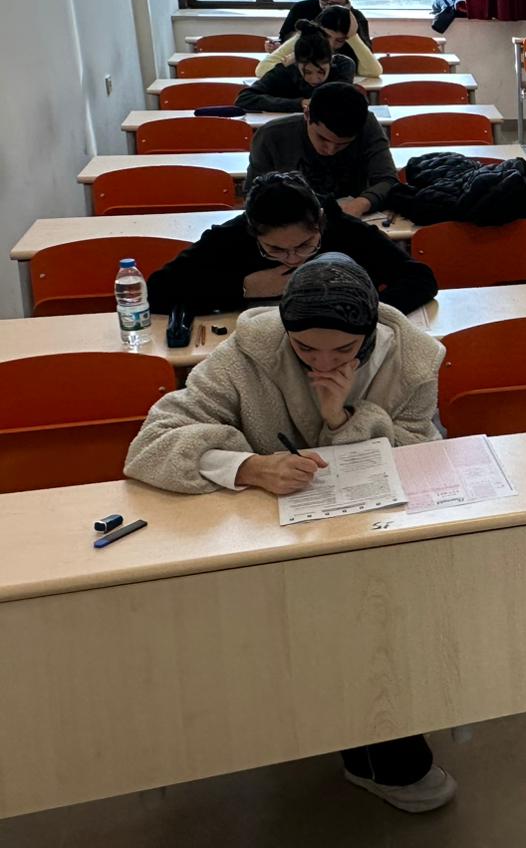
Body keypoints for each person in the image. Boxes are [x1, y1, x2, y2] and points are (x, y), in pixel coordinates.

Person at [126, 253, 454, 813]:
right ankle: (357, 739)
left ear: (369, 332)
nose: (323, 365)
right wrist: (248, 467)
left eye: (343, 351)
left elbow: (424, 454)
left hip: (377, 535)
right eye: (305, 349)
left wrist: (343, 419)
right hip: (271, 540)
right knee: (318, 619)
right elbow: (152, 444)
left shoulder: (413, 360)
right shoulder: (248, 353)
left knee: (380, 614)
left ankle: (379, 731)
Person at [148, 171, 436, 315]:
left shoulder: (343, 230)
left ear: (319, 222)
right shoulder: (229, 238)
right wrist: (243, 288)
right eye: (275, 249)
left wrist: (362, 310)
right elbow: (157, 293)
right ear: (253, 232)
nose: (293, 259)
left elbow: (420, 278)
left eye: (305, 245)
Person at [248, 82, 398, 215]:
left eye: (342, 144)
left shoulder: (367, 125)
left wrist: (361, 203)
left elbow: (387, 180)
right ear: (307, 114)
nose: (330, 150)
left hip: (351, 222)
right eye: (323, 139)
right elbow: (253, 195)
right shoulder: (271, 136)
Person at [237, 23, 357, 113]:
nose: (314, 78)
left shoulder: (343, 65)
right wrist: (299, 103)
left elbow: (339, 99)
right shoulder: (287, 69)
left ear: (331, 61)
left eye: (321, 72)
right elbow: (244, 98)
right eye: (307, 72)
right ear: (296, 63)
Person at [256, 6, 381, 78]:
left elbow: (373, 71)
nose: (331, 44)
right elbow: (262, 69)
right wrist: (292, 59)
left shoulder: (351, 40)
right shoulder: (305, 37)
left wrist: (353, 37)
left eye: (339, 40)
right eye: (326, 36)